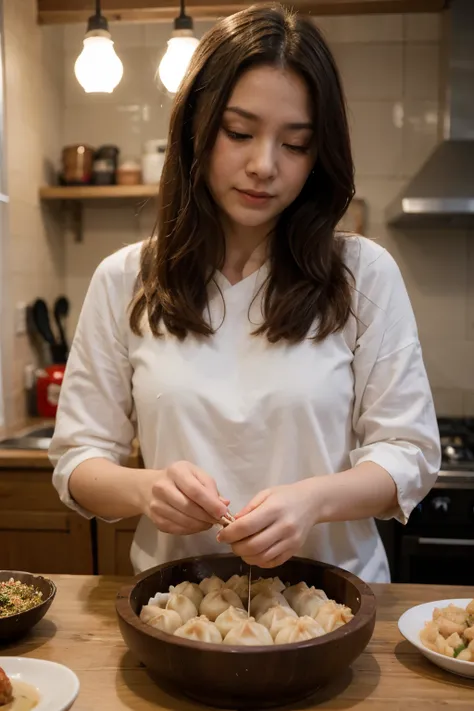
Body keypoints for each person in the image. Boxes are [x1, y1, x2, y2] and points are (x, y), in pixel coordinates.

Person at [49, 3, 441, 583]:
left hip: (333, 605)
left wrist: (314, 500)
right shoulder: (126, 279)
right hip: (179, 609)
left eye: (296, 143)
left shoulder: (362, 274)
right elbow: (78, 459)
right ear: (195, 132)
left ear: (319, 155)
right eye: (239, 133)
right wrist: (146, 488)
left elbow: (408, 453)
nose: (264, 165)